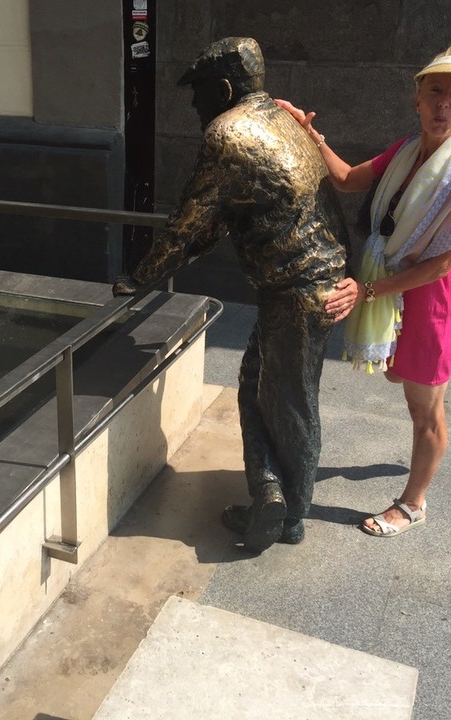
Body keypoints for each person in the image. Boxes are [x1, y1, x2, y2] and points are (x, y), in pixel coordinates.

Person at [277, 46, 451, 537]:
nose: (444, 104)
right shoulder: (404, 151)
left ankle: (414, 503)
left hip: (430, 301)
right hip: (395, 290)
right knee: (408, 374)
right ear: (417, 99)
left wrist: (367, 290)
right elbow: (346, 178)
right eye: (434, 91)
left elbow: (440, 265)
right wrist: (306, 132)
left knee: (425, 408)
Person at [113, 37, 350, 553]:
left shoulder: (230, 132)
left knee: (290, 403)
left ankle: (290, 518)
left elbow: (191, 226)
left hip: (298, 292)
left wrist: (139, 278)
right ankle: (269, 494)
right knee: (253, 385)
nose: (195, 107)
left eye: (197, 93)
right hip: (304, 285)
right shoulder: (281, 117)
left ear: (222, 88)